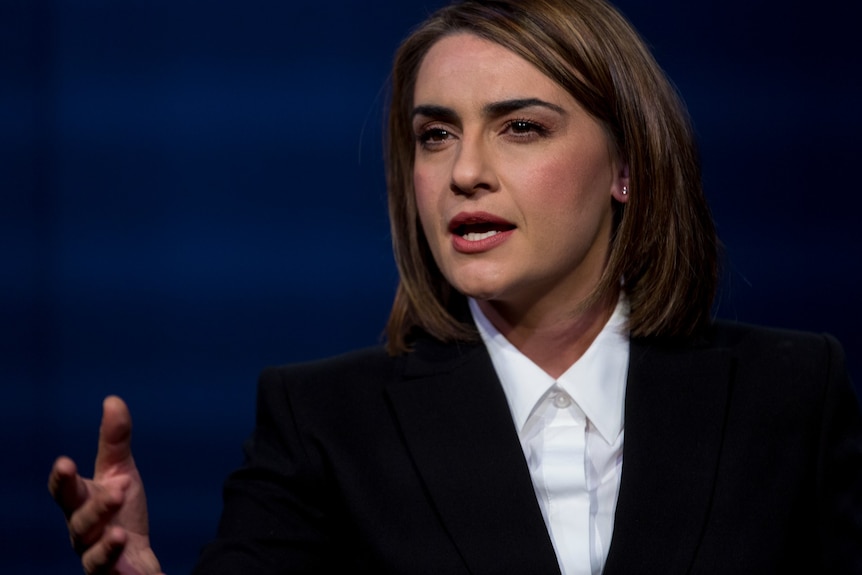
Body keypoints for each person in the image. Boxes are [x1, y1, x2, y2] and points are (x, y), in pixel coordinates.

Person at [49, 0, 862, 573]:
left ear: (626, 166)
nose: (465, 172)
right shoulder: (324, 424)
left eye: (520, 127)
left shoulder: (790, 394)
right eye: (435, 135)